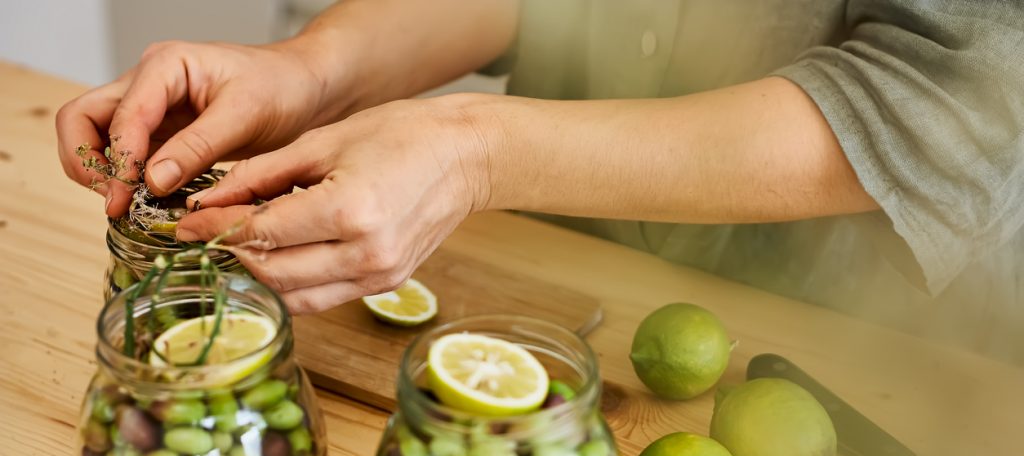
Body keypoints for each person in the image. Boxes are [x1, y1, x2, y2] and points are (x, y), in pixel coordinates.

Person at [56, 1, 1024, 362]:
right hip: (552, 303)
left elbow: (935, 102)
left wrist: (475, 149)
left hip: (878, 376)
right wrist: (313, 69)